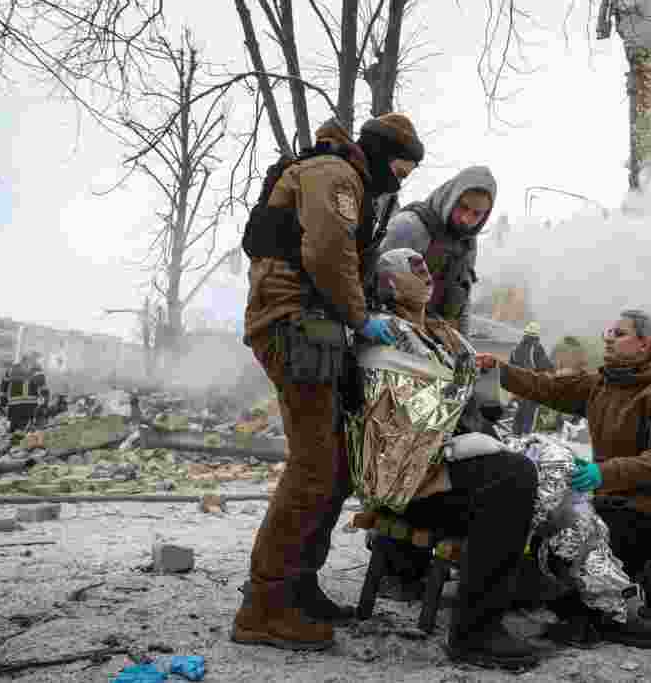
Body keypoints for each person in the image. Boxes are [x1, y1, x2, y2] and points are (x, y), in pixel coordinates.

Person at [232, 113, 425, 651]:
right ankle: (264, 607)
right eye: (402, 167)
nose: (403, 180)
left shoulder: (350, 179)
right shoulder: (335, 175)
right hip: (293, 324)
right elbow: (325, 251)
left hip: (313, 327)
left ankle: (297, 585)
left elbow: (340, 259)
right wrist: (361, 318)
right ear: (385, 154)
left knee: (335, 463)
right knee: (314, 467)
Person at [355, 248, 540, 670]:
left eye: (426, 267)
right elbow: (400, 411)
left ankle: (527, 593)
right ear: (388, 283)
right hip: (410, 476)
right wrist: (460, 441)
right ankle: (474, 634)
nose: (425, 273)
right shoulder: (383, 334)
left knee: (536, 468)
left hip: (451, 462)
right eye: (412, 268)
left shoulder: (444, 333)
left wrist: (487, 387)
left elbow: (482, 398)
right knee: (511, 478)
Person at [475, 309, 651, 641]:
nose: (607, 338)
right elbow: (546, 386)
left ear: (645, 345)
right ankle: (650, 580)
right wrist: (500, 370)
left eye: (619, 333)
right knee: (548, 548)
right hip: (608, 498)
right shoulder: (601, 383)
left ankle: (650, 584)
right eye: (608, 330)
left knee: (578, 565)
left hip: (650, 509)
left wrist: (603, 472)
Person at [378, 166, 497, 336]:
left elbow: (462, 300)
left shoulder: (468, 245)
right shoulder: (410, 226)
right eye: (463, 207)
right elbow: (373, 282)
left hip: (435, 342)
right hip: (394, 335)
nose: (466, 219)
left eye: (477, 214)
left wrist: (463, 348)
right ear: (451, 198)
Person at [510, 322, 554, 436]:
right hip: (531, 387)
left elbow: (511, 368)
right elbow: (545, 366)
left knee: (520, 412)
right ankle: (526, 436)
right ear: (536, 336)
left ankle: (515, 435)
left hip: (519, 387)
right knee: (530, 414)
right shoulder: (536, 348)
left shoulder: (515, 349)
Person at [0, 352, 50, 432]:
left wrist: (3, 400)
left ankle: (13, 442)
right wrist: (45, 402)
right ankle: (21, 442)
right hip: (29, 406)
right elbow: (43, 386)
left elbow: (3, 385)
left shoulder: (12, 369)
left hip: (14, 406)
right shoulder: (35, 369)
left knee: (14, 429)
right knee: (26, 430)